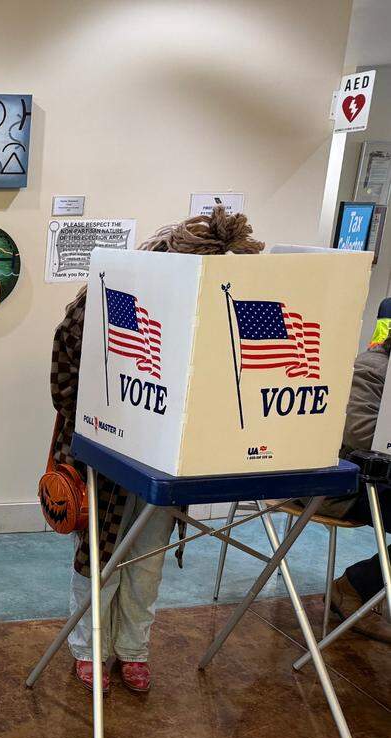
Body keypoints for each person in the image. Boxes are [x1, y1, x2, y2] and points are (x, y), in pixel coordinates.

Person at [50, 207, 265, 693]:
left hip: (167, 459)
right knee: (100, 555)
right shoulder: (114, 298)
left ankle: (132, 649)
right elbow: (64, 379)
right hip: (105, 454)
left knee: (148, 557)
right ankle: (90, 648)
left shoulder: (209, 308)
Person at [306, 337, 391, 643]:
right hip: (342, 483)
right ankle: (354, 586)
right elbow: (360, 434)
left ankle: (363, 585)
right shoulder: (373, 368)